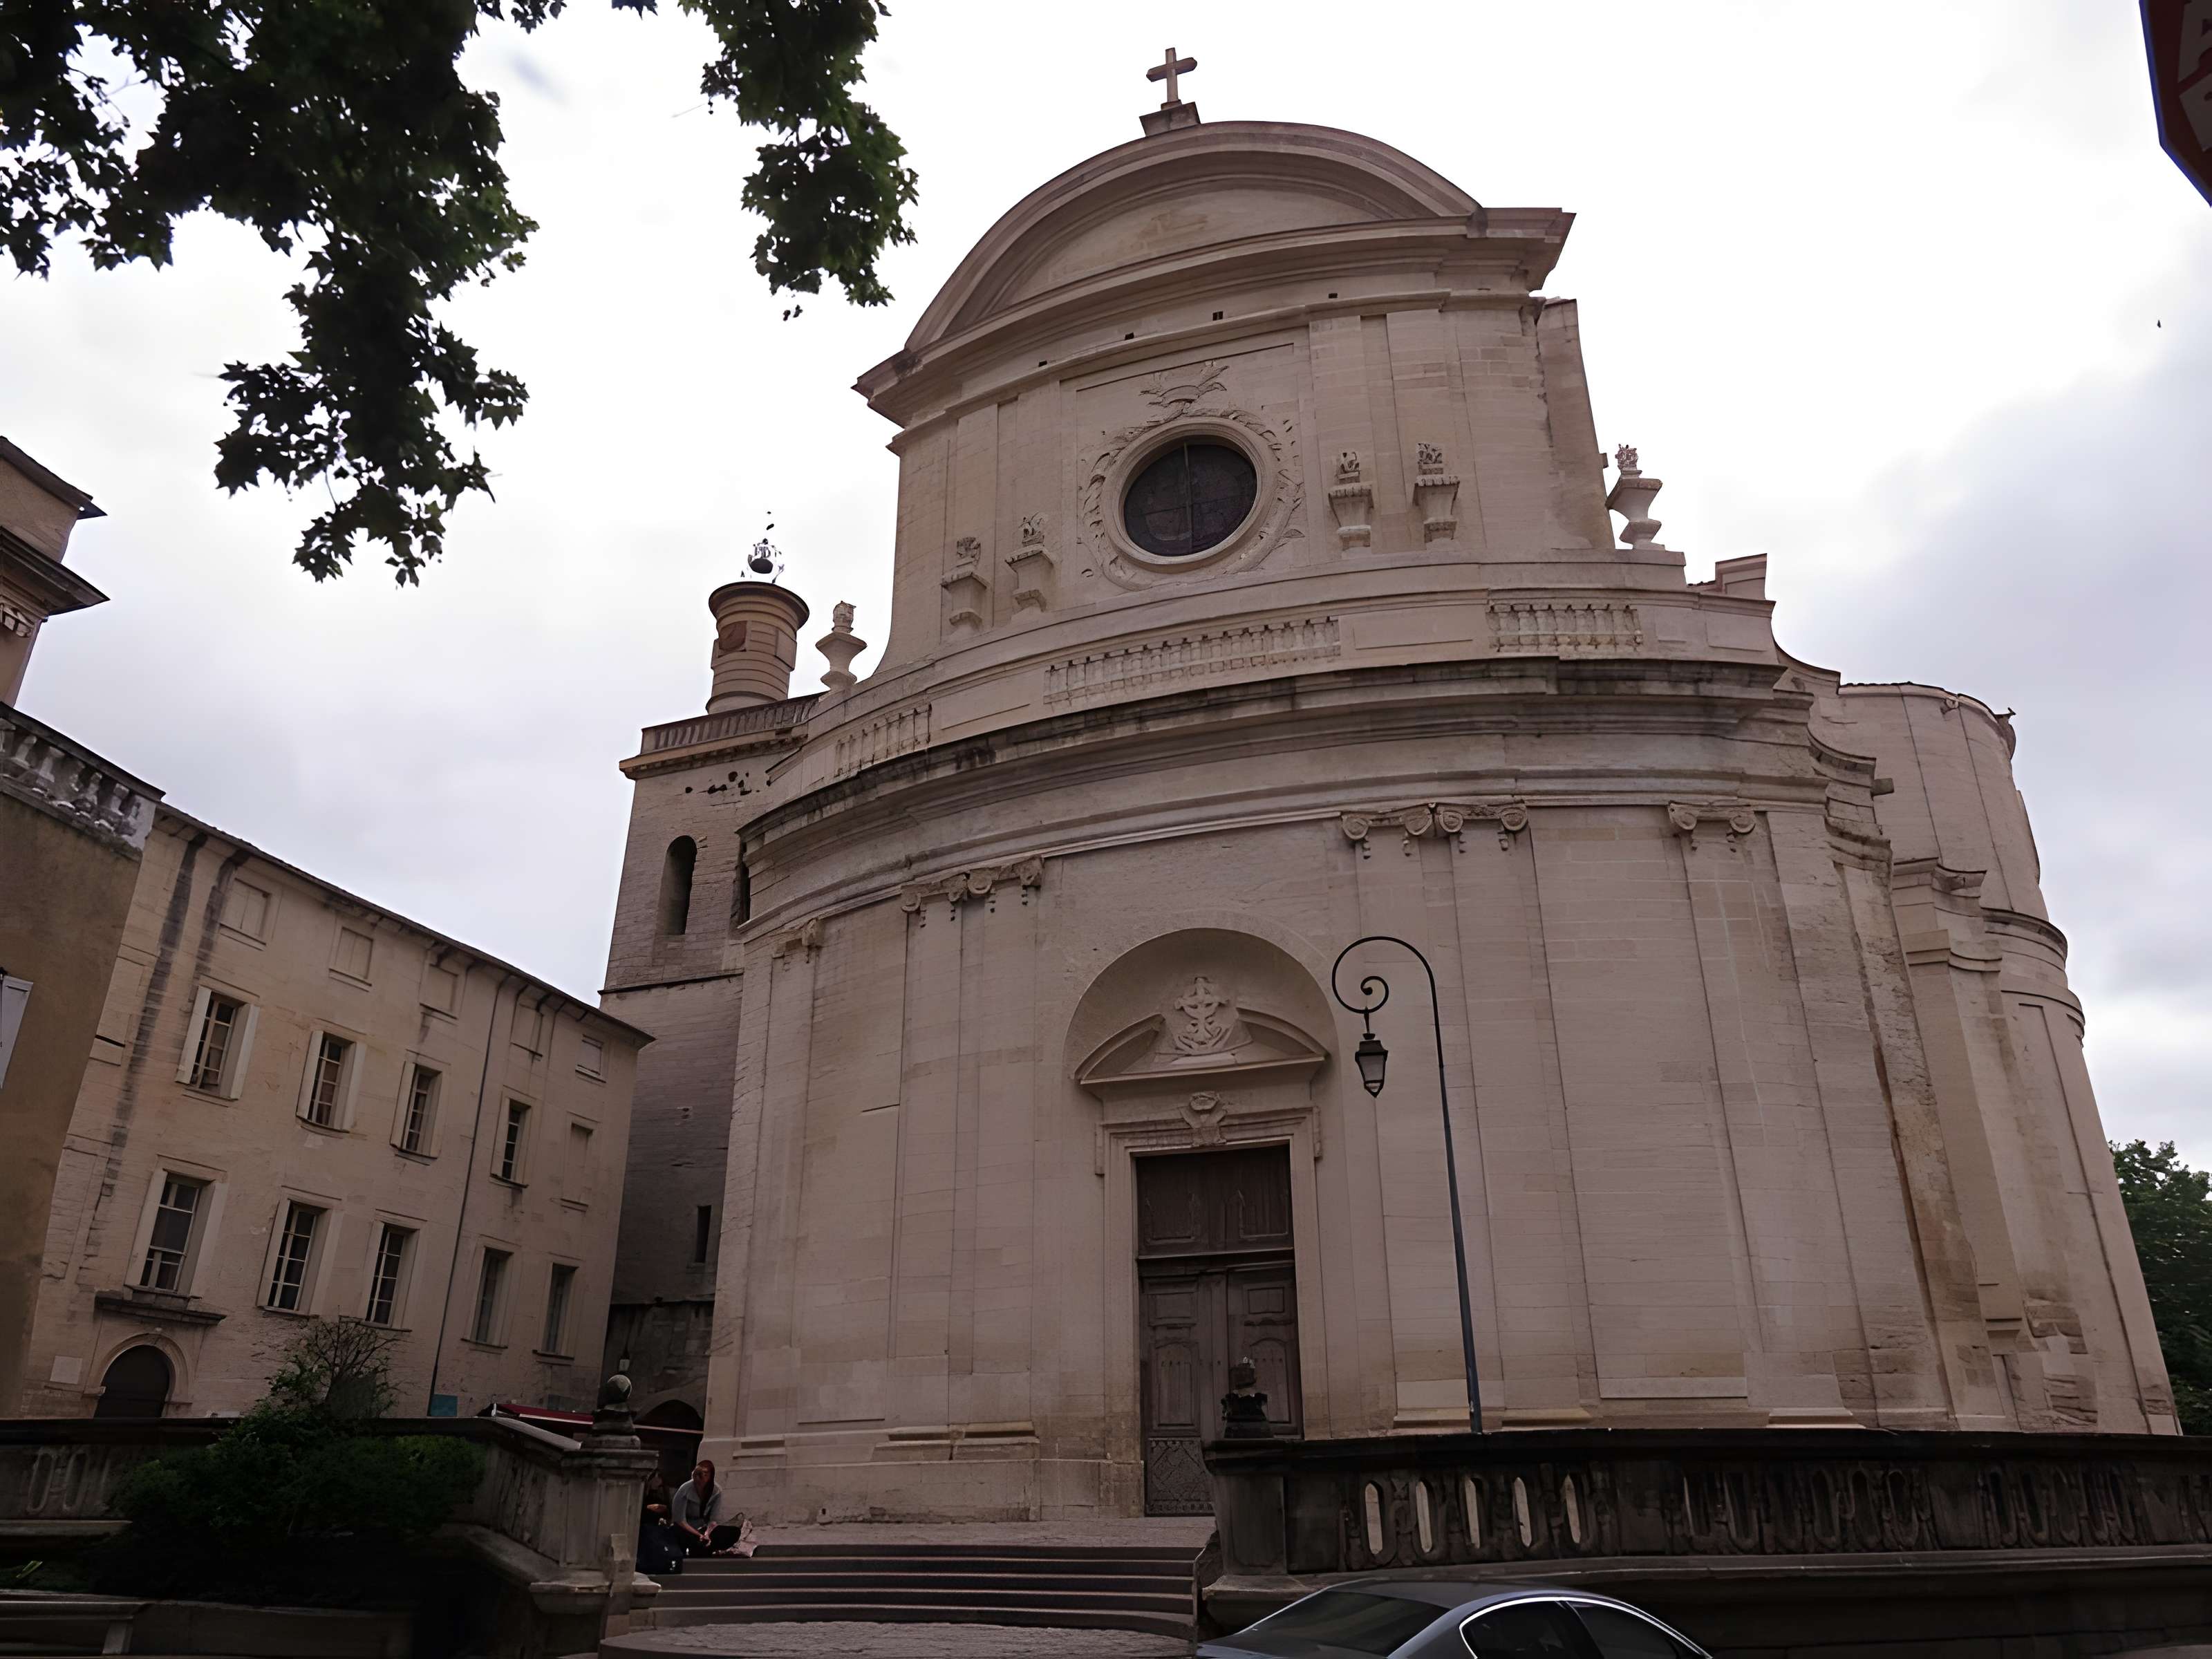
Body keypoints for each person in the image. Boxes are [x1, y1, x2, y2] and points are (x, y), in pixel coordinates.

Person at [670, 1458, 754, 1557]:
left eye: (705, 1474)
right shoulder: (685, 1490)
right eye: (698, 1473)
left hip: (704, 1528)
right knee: (678, 1534)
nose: (700, 1477)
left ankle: (703, 1547)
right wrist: (698, 1535)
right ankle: (698, 1548)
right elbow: (680, 1520)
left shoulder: (716, 1491)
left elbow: (713, 1521)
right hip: (687, 1529)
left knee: (733, 1532)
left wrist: (707, 1534)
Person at [637, 1470, 684, 1577]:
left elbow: (669, 1515)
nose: (657, 1480)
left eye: (659, 1477)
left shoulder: (664, 1493)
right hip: (645, 1527)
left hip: (658, 1527)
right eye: (656, 1477)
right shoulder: (644, 1493)